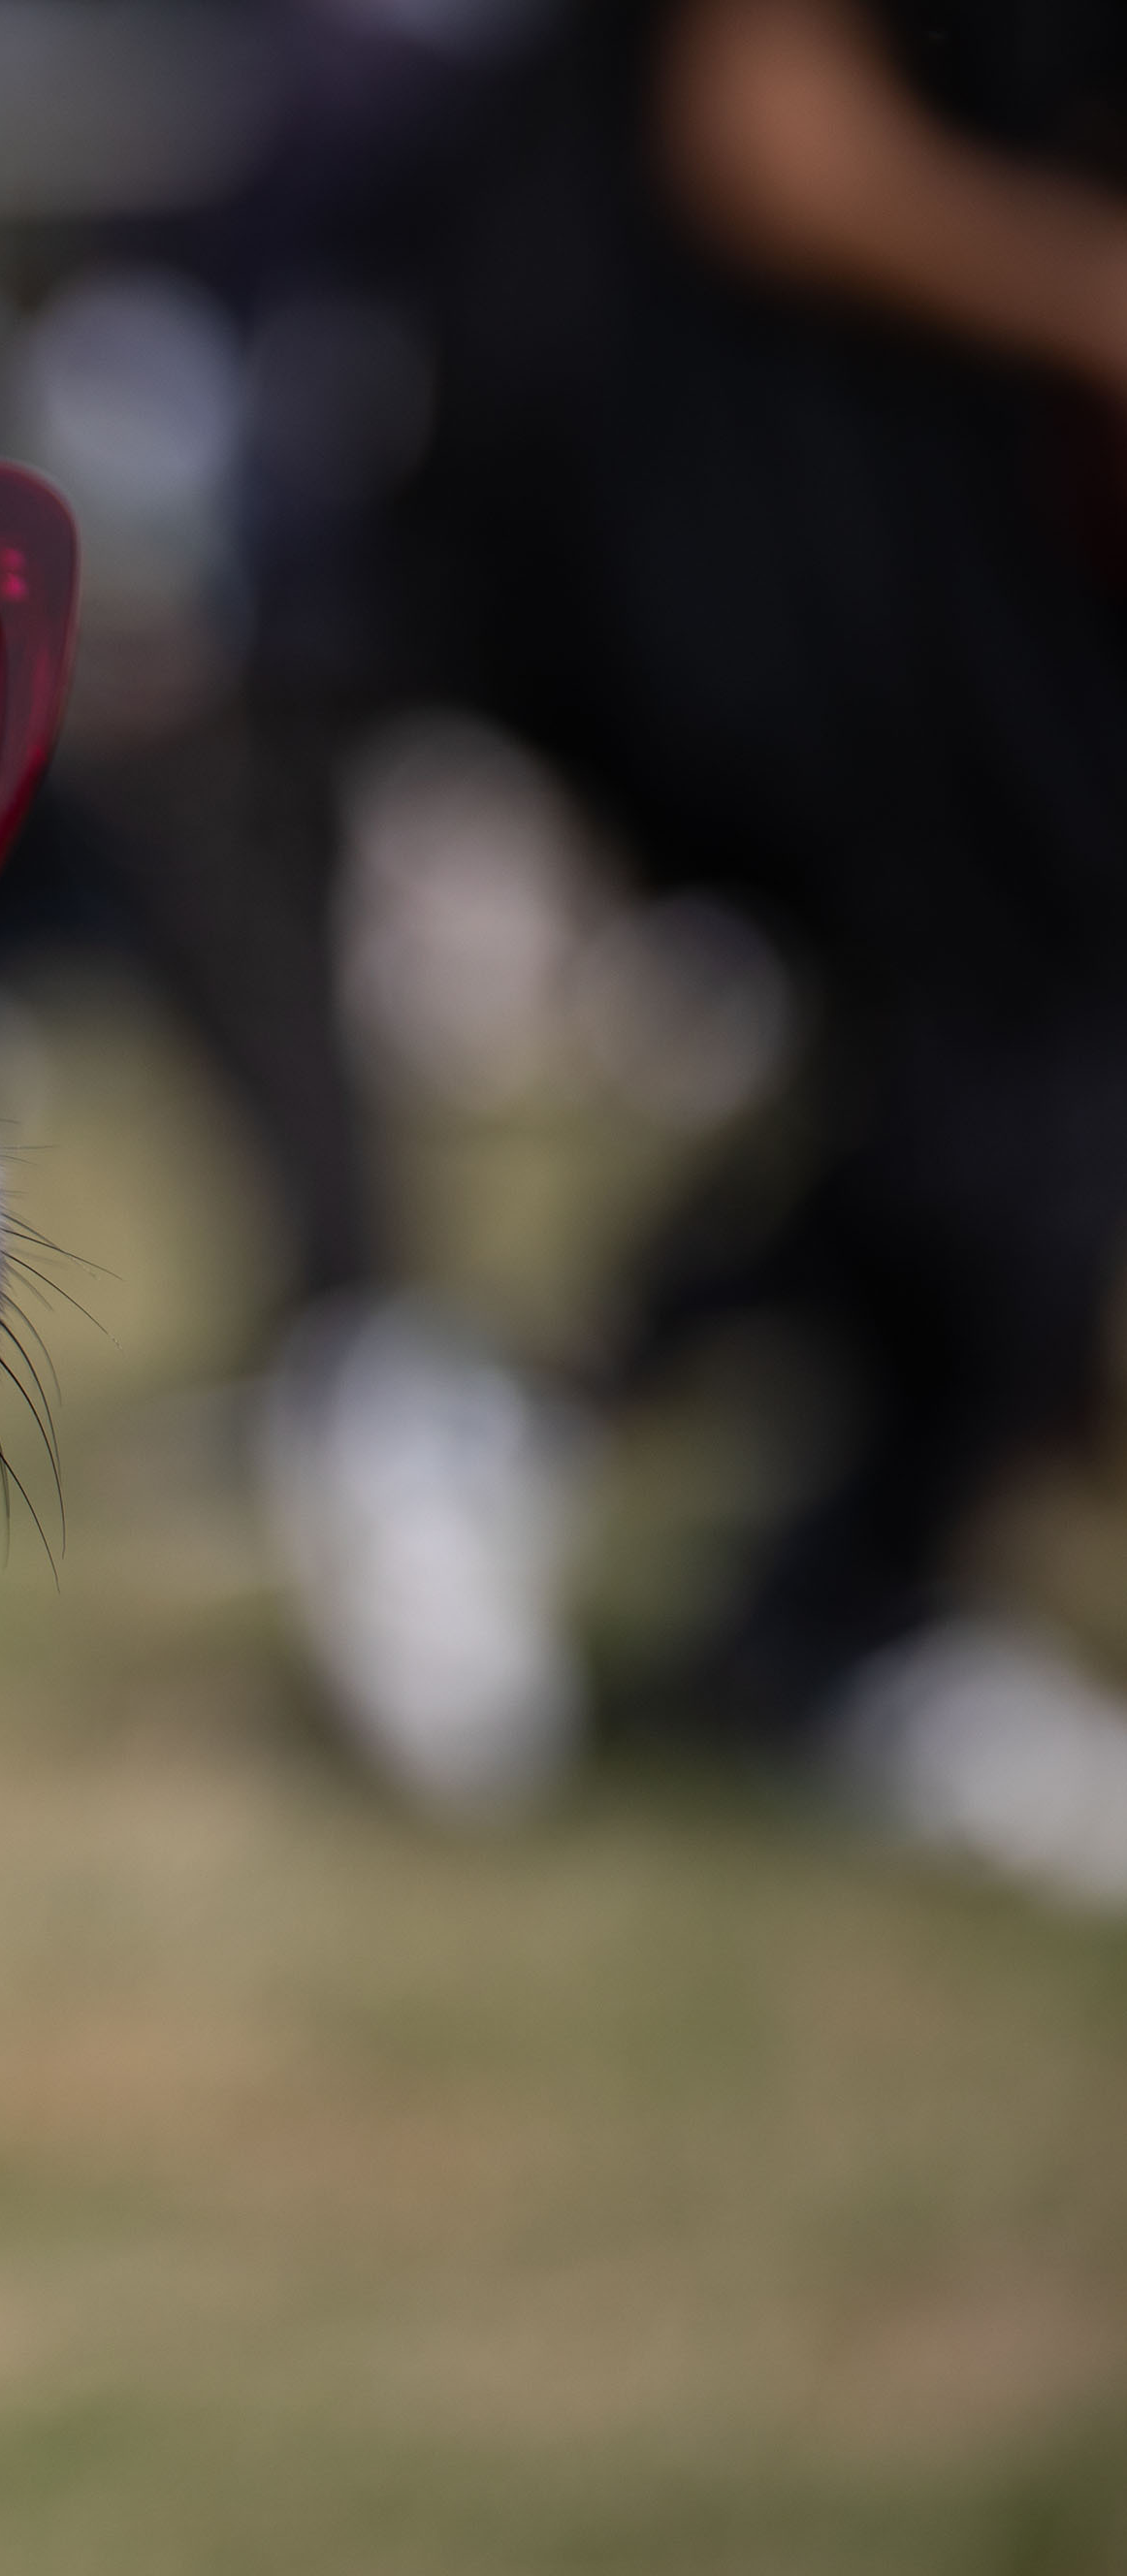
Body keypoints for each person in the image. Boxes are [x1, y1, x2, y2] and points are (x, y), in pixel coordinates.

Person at [413, 0, 1127, 1902]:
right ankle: (777, 1573)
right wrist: (1083, 287)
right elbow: (773, 142)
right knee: (1027, 1009)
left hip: (926, 512)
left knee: (993, 1064)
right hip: (737, 478)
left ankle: (735, 1544)